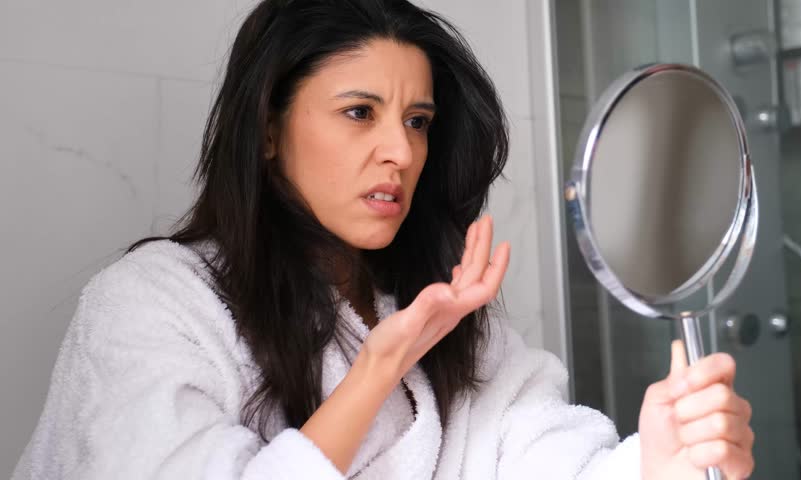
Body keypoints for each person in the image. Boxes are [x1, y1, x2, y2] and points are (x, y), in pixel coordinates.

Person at [13, 0, 754, 478]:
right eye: (359, 113)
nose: (401, 151)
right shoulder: (150, 306)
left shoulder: (436, 312)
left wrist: (658, 458)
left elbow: (543, 458)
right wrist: (377, 371)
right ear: (268, 129)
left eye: (417, 121)